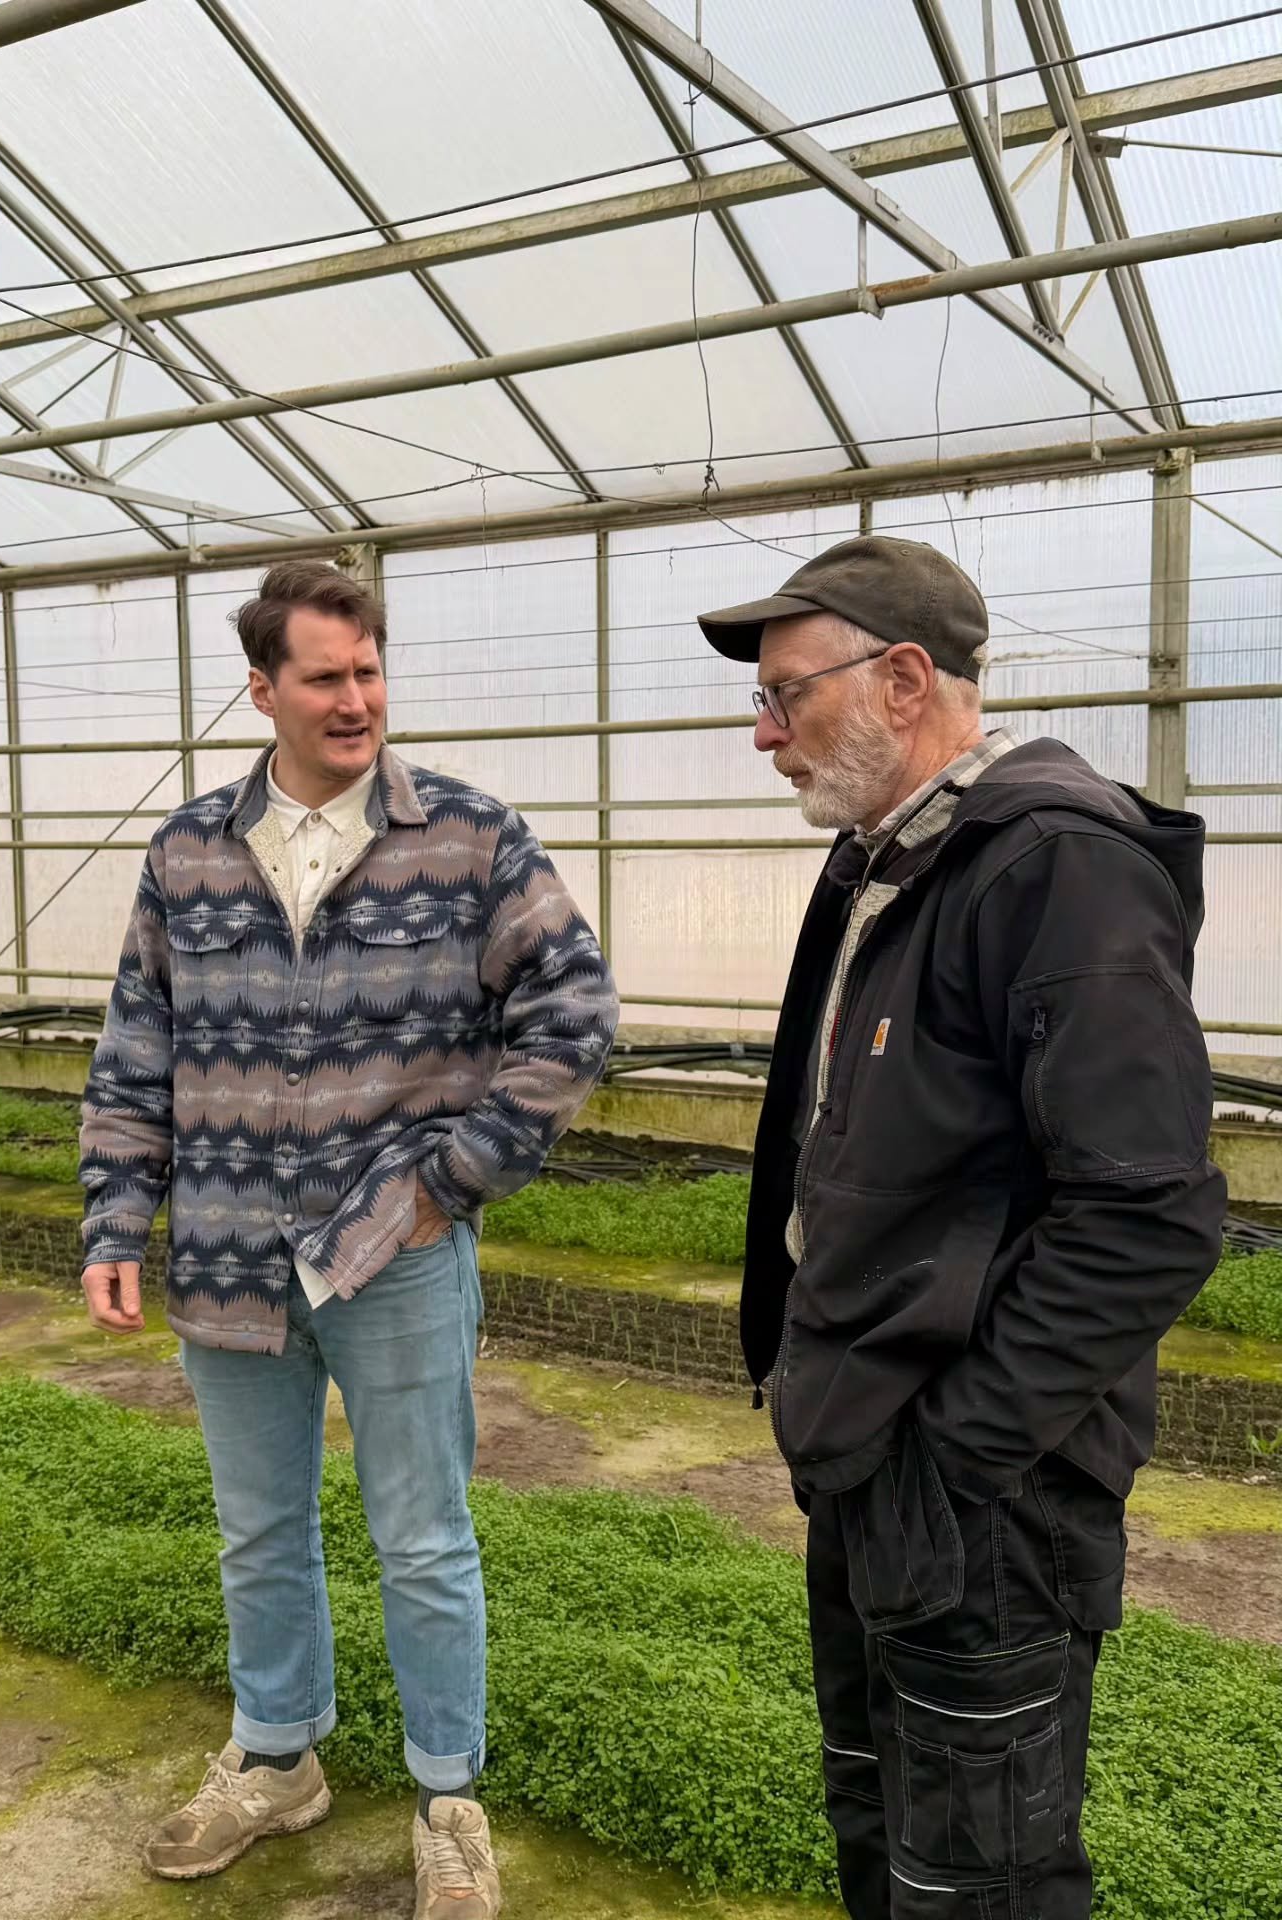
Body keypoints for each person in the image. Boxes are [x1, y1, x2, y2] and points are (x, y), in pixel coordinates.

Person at [79, 559, 619, 1918]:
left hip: (396, 1251)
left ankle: (447, 1796)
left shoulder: (471, 840)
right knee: (259, 1534)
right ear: (261, 689)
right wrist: (114, 1216)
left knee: (423, 1537)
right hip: (222, 1253)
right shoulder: (188, 853)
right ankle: (278, 1761)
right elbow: (137, 1045)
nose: (358, 697)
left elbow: (576, 1012)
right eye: (326, 675)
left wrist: (456, 1178)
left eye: (370, 669)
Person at [697, 535, 1225, 1920]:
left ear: (905, 679)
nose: (766, 735)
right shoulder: (887, 860)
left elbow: (1151, 1216)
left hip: (987, 1498)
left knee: (984, 1877)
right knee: (887, 1821)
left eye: (786, 695)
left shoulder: (1055, 868)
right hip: (872, 1459)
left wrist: (956, 1457)